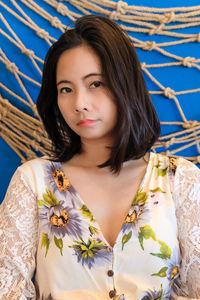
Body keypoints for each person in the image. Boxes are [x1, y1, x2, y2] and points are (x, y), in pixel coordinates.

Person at [0, 14, 199, 300]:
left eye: (95, 84)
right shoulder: (33, 182)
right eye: (66, 89)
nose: (79, 104)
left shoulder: (180, 180)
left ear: (125, 84)